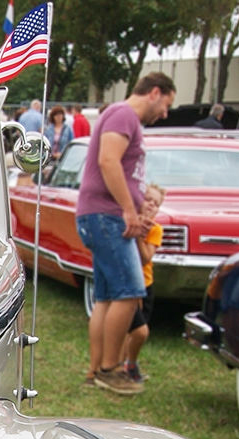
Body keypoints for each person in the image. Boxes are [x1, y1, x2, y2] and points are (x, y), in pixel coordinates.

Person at [75, 71, 175, 395]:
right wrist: (129, 211)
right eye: (166, 105)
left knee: (105, 297)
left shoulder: (121, 116)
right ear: (155, 92)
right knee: (131, 292)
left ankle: (95, 370)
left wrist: (134, 208)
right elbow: (108, 161)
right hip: (107, 218)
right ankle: (110, 369)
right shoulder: (124, 114)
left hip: (102, 216)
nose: (165, 114)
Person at [121, 184, 165, 384]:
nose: (151, 206)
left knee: (138, 331)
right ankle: (125, 364)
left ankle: (129, 363)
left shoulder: (155, 230)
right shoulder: (126, 222)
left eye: (156, 204)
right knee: (137, 331)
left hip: (146, 284)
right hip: (128, 284)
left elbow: (146, 257)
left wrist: (140, 236)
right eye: (148, 200)